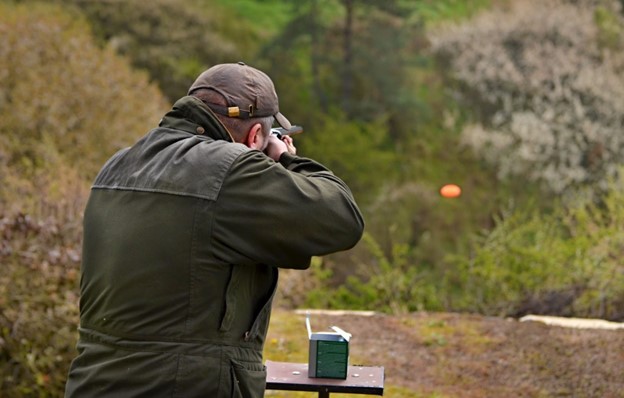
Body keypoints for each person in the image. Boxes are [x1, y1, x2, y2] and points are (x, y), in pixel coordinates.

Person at [64, 62, 364, 398]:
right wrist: (285, 160)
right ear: (255, 136)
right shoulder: (230, 172)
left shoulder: (117, 165)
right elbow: (343, 219)